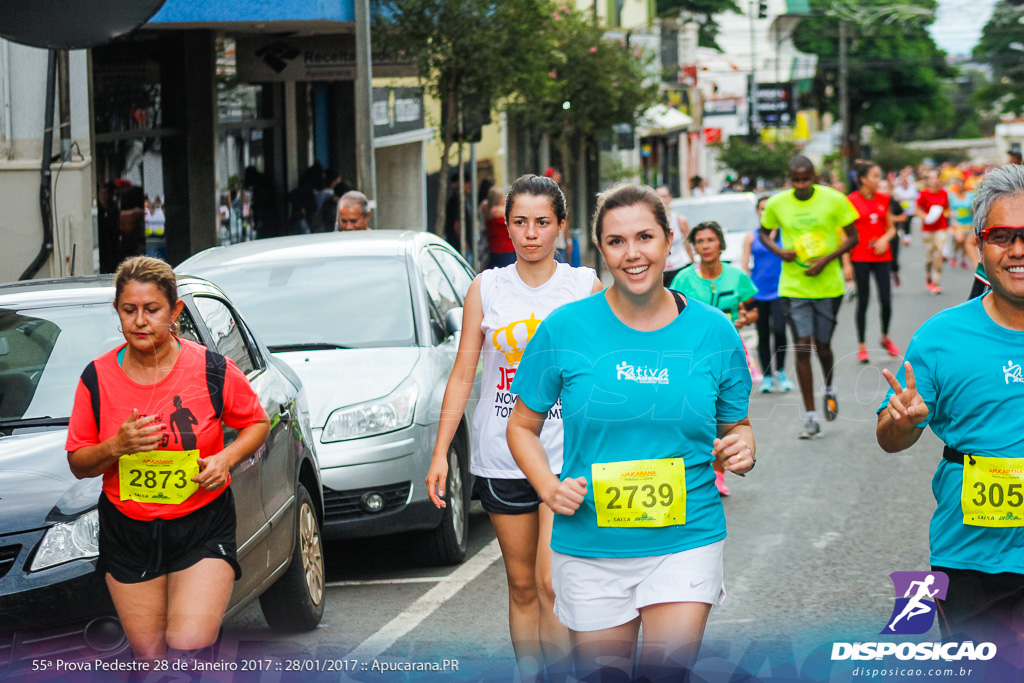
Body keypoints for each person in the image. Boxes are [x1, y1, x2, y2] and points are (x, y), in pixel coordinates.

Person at [507, 184, 754, 682]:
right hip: (591, 544)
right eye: (617, 241)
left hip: (687, 538)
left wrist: (742, 447)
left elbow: (737, 426)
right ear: (601, 250)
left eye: (645, 237)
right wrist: (549, 487)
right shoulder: (564, 328)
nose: (633, 253)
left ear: (668, 243)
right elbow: (521, 427)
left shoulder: (714, 332)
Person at [426, 175, 600, 681]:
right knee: (522, 585)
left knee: (552, 583)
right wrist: (441, 453)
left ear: (561, 227)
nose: (530, 233)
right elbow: (464, 374)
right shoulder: (487, 286)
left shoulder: (582, 286)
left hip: (564, 455)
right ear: (506, 227)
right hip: (500, 455)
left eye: (542, 222)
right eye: (519, 222)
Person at [65, 256, 270, 663]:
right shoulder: (96, 378)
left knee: (189, 645)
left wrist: (224, 460)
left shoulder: (213, 369)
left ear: (175, 311)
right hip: (129, 532)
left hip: (201, 524)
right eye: (129, 310)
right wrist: (116, 447)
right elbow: (79, 462)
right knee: (153, 658)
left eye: (152, 309)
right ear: (117, 312)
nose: (140, 321)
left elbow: (256, 424)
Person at [876, 164, 1024, 646]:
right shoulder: (941, 337)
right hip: (974, 559)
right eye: (1002, 236)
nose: (1018, 250)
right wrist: (904, 421)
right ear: (979, 245)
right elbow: (890, 438)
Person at [759, 155, 859, 439]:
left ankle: (829, 387)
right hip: (793, 286)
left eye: (806, 179)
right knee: (802, 346)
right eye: (795, 180)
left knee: (822, 347)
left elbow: (853, 237)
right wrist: (779, 252)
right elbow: (764, 233)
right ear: (789, 179)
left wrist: (827, 260)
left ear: (815, 176)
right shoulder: (778, 203)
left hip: (828, 286)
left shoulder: (835, 199)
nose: (801, 185)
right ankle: (810, 416)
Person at [671, 220, 758, 497]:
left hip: (728, 352)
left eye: (710, 240)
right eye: (699, 241)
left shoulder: (736, 277)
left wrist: (746, 319)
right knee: (700, 412)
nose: (705, 246)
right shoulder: (683, 279)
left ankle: (719, 471)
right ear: (693, 247)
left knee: (727, 414)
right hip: (692, 355)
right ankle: (700, 466)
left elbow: (754, 311)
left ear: (720, 244)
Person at [847, 161, 900, 364]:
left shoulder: (884, 199)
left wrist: (885, 239)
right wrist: (846, 263)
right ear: (863, 179)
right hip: (859, 256)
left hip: (881, 256)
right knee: (864, 300)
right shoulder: (851, 201)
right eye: (875, 176)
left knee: (886, 300)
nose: (879, 180)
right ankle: (862, 346)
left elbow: (891, 228)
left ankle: (885, 337)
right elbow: (846, 234)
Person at [742, 195, 793, 395]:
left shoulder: (785, 234)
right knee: (763, 334)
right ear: (757, 212)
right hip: (758, 292)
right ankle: (767, 377)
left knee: (780, 330)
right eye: (761, 208)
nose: (764, 212)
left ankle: (780, 371)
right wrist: (744, 292)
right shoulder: (751, 236)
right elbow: (745, 265)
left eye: (767, 208)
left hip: (781, 291)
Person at [915, 170, 951, 294]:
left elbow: (947, 209)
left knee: (939, 254)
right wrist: (927, 217)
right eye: (930, 178)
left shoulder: (944, 193)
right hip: (927, 229)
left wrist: (951, 219)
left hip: (941, 227)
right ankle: (928, 277)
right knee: (929, 257)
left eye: (935, 178)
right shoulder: (924, 194)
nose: (933, 181)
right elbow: (917, 210)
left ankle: (936, 281)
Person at [656, 186, 692, 285]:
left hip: (679, 266)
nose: (662, 200)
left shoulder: (680, 220)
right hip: (659, 270)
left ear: (670, 198)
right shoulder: (650, 222)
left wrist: (693, 263)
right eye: (658, 197)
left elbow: (688, 243)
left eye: (664, 196)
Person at [878, 179, 909, 287]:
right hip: (879, 237)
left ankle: (895, 273)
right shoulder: (874, 202)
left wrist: (892, 219)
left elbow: (904, 217)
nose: (883, 190)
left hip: (892, 236)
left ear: (889, 190)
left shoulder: (893, 202)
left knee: (893, 261)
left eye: (885, 188)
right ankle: (884, 281)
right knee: (882, 263)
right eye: (880, 188)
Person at [544, 167, 572, 264]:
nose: (559, 175)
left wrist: (568, 239)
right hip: (549, 242)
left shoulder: (559, 195)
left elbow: (564, 218)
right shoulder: (544, 196)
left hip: (559, 242)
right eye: (556, 174)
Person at [484, 185, 516, 268]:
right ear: (499, 199)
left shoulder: (487, 210)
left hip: (495, 249)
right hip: (506, 250)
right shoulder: (498, 211)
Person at [948, 178, 975, 270]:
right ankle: (955, 254)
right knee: (959, 239)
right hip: (957, 223)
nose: (960, 187)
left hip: (968, 223)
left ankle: (963, 259)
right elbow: (949, 209)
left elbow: (974, 209)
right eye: (958, 185)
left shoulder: (970, 195)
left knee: (965, 243)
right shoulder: (951, 196)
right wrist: (952, 221)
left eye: (961, 185)